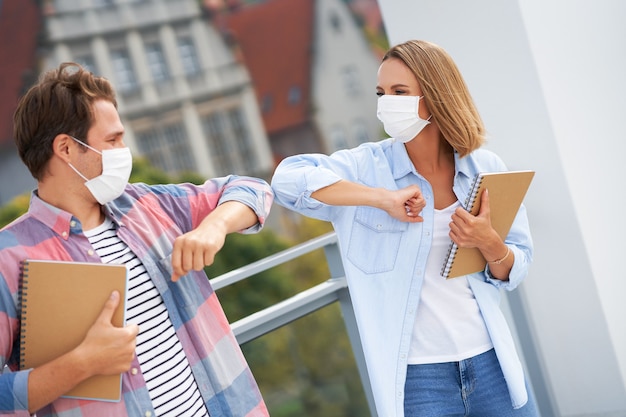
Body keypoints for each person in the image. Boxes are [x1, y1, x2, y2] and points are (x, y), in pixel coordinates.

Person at [271, 40, 539, 417]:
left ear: (435, 96)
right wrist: (380, 198)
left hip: (492, 364)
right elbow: (286, 180)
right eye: (381, 93)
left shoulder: (486, 166)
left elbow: (516, 267)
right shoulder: (366, 167)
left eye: (400, 92)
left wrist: (489, 243)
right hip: (417, 382)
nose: (386, 104)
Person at [0, 63, 272, 417]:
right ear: (66, 149)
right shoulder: (9, 259)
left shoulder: (149, 204)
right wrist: (81, 364)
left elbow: (252, 189)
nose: (124, 149)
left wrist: (214, 226)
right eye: (112, 140)